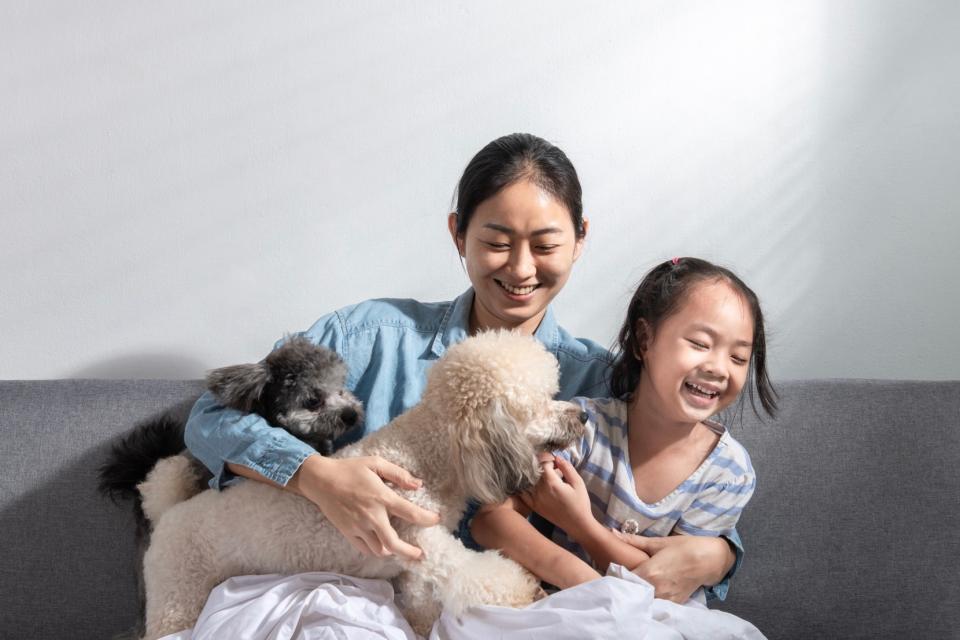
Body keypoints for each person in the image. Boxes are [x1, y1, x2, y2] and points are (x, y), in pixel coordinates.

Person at [183, 133, 738, 602]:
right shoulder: (369, 336)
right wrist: (315, 477)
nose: (521, 269)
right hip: (351, 593)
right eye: (497, 242)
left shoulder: (597, 381)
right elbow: (210, 418)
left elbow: (687, 494)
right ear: (458, 234)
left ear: (580, 240)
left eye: (545, 245)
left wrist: (719, 555)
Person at [471, 257, 777, 603]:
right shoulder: (584, 427)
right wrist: (586, 584)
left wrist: (581, 525)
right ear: (644, 340)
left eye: (738, 358)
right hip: (567, 607)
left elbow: (664, 584)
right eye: (700, 344)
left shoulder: (728, 472)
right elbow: (489, 522)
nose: (719, 368)